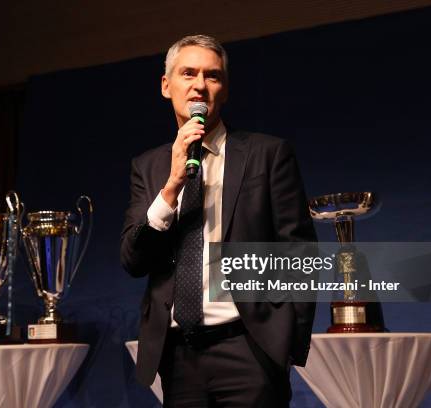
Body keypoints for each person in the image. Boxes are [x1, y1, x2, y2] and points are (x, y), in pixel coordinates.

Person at [120, 34, 317, 407]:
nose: (199, 85)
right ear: (167, 86)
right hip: (178, 356)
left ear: (224, 89)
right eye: (188, 73)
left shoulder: (267, 154)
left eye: (212, 76)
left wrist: (287, 344)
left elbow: (300, 251)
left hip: (250, 348)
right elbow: (133, 259)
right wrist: (171, 186)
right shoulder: (148, 168)